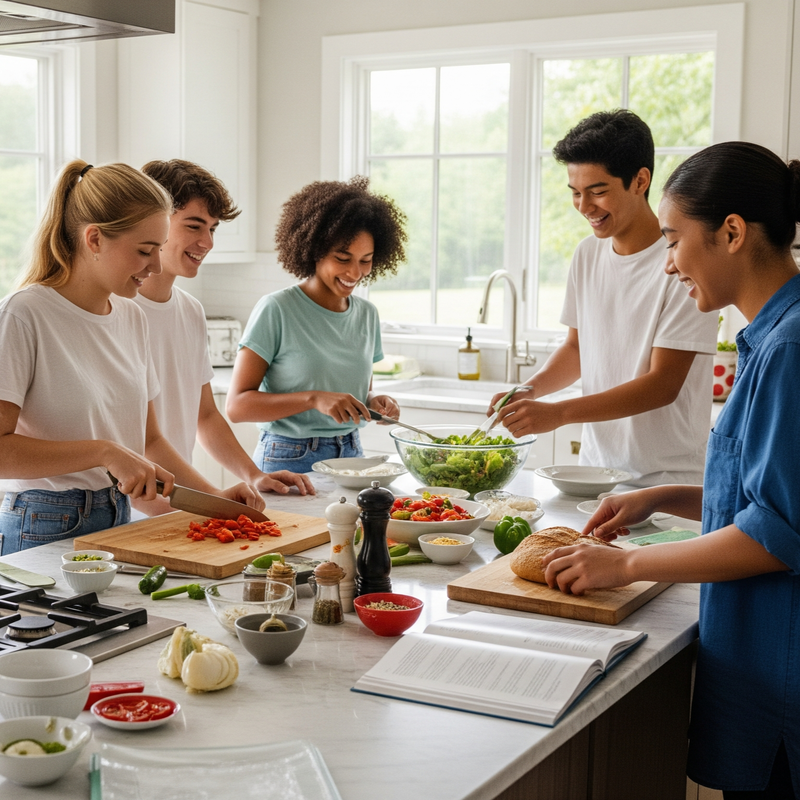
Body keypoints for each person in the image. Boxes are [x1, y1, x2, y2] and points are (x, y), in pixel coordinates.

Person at [543, 142, 800, 798]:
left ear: (732, 233)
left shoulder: (789, 349)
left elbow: (776, 536)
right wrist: (665, 497)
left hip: (780, 672)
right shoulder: (772, 337)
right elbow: (769, 493)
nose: (668, 263)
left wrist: (625, 565)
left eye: (674, 240)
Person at [0, 159, 263, 555]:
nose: (155, 265)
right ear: (94, 240)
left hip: (116, 515)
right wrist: (104, 452)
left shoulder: (131, 316)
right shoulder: (24, 314)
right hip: (41, 522)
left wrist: (215, 499)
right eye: (144, 250)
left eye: (158, 248)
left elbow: (150, 440)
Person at [491, 109, 718, 486]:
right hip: (596, 474)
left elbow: (663, 384)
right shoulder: (587, 254)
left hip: (668, 481)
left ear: (640, 181)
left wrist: (559, 413)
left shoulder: (682, 262)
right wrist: (529, 390)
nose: (584, 207)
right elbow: (577, 348)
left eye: (597, 191)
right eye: (575, 193)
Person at [133, 159, 314, 516]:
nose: (207, 242)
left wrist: (253, 474)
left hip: (176, 507)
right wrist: (212, 498)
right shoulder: (114, 311)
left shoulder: (190, 311)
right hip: (127, 511)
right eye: (194, 226)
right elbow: (138, 437)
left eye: (213, 229)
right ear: (153, 221)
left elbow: (205, 415)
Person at [226, 176, 406, 473]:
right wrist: (313, 399)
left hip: (352, 454)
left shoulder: (366, 314)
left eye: (366, 260)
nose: (355, 272)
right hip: (288, 456)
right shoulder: (277, 309)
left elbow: (358, 392)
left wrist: (375, 402)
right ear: (314, 250)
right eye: (343, 258)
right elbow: (237, 407)